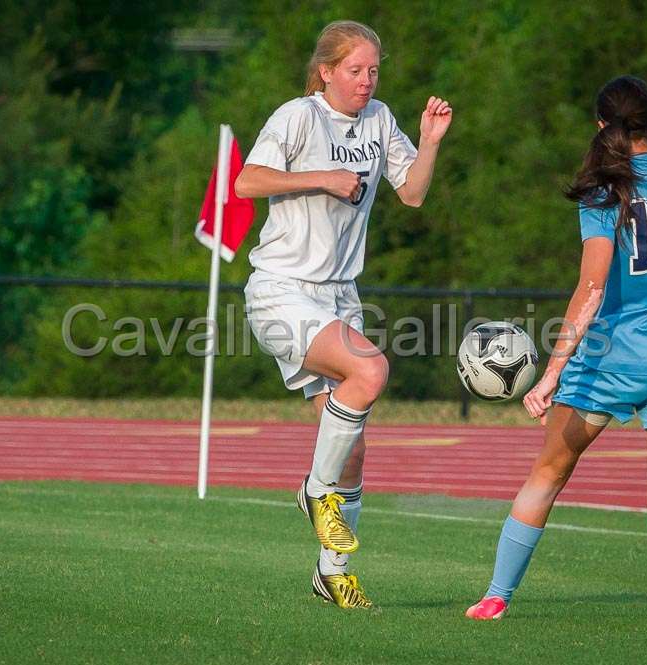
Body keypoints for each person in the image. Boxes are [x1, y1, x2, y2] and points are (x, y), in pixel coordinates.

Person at [465, 76, 647, 631]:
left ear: (602, 126)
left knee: (549, 472)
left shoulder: (604, 191)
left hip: (611, 364)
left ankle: (497, 596)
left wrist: (550, 372)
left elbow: (593, 290)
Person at [234, 20, 452, 609]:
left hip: (339, 296)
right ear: (326, 70)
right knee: (371, 371)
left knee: (353, 447)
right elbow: (247, 180)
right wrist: (325, 178)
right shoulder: (297, 116)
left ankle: (333, 572)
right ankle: (314, 491)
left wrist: (429, 141)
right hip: (281, 288)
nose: (366, 79)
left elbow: (411, 192)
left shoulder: (380, 119)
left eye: (373, 69)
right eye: (355, 69)